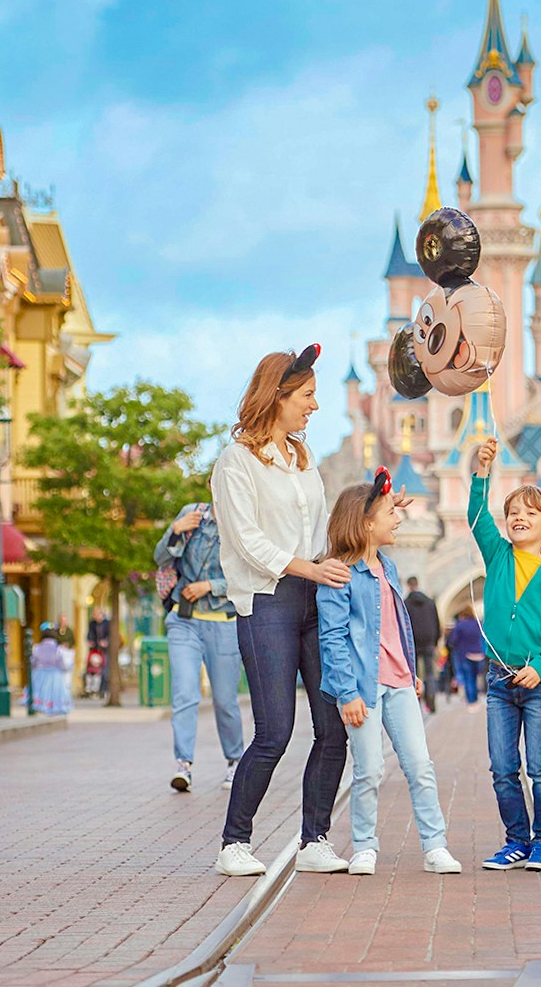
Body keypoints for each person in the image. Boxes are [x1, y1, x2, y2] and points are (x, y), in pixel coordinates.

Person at [211, 345, 361, 878]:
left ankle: (314, 839)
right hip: (267, 601)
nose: (315, 406)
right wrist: (306, 567)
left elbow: (321, 533)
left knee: (332, 727)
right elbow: (246, 539)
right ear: (277, 396)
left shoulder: (304, 460)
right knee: (274, 729)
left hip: (313, 600)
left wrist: (367, 525)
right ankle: (234, 841)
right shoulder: (236, 463)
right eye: (307, 395)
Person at [316, 473, 461, 875]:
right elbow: (332, 638)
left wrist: (410, 670)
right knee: (370, 771)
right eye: (390, 514)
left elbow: (396, 625)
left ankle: (435, 846)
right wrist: (346, 693)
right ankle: (364, 846)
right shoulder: (339, 573)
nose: (398, 520)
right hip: (362, 687)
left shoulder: (390, 568)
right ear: (366, 523)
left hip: (398, 684)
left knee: (420, 767)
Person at [469, 437, 541, 872]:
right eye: (514, 513)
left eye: (530, 514)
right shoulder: (498, 557)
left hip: (540, 685)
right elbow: (477, 516)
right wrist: (482, 471)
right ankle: (516, 839)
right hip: (499, 681)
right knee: (502, 768)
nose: (519, 518)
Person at [156, 499, 246, 794]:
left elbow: (248, 574)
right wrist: (174, 530)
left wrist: (210, 586)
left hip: (224, 622)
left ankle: (234, 760)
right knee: (184, 693)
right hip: (184, 620)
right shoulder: (191, 515)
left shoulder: (243, 520)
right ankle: (184, 765)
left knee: (224, 700)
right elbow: (161, 558)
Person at [403, 577, 442, 713]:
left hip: (413, 643)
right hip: (429, 642)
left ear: (408, 586)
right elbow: (437, 622)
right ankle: (432, 702)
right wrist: (436, 640)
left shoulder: (406, 603)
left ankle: (417, 702)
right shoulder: (430, 602)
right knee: (430, 673)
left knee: (415, 674)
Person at [30, 621, 73, 716]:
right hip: (54, 675)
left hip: (40, 674)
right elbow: (62, 665)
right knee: (55, 693)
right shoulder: (58, 649)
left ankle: (39, 706)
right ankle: (54, 707)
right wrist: (68, 667)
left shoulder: (36, 648)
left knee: (39, 692)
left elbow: (33, 663)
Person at [446, 608, 486, 710]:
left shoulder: (460, 625)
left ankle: (472, 702)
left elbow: (452, 641)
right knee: (476, 678)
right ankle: (477, 698)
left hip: (465, 655)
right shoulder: (478, 623)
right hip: (479, 655)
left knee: (469, 678)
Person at [85, 607, 112, 698]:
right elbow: (89, 634)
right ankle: (93, 690)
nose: (95, 617)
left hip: (104, 651)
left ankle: (103, 690)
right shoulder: (92, 623)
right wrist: (90, 641)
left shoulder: (107, 623)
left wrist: (106, 642)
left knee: (105, 671)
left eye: (96, 614)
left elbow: (110, 635)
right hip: (95, 650)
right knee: (92, 671)